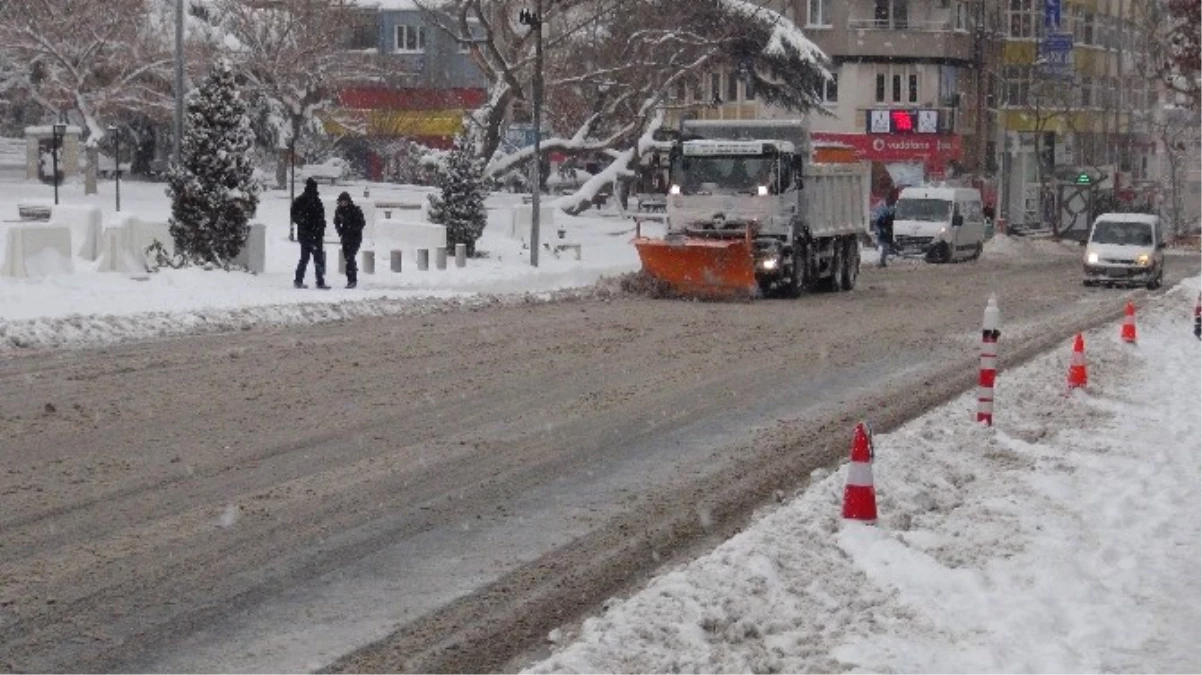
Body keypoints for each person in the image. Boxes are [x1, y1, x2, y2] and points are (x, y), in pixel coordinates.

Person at [292, 177, 330, 289]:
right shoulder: (314, 201)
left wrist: (303, 222)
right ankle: (319, 281)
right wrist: (319, 228)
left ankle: (299, 280)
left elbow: (294, 215)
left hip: (307, 234)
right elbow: (320, 217)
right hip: (313, 234)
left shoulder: (301, 200)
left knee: (305, 258)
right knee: (316, 259)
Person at [334, 191, 366, 289]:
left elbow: (361, 223)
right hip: (345, 237)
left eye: (344, 202)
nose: (343, 204)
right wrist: (340, 231)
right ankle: (351, 277)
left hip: (355, 237)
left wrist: (353, 228)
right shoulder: (339, 211)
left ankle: (352, 280)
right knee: (347, 258)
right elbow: (336, 222)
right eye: (341, 202)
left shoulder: (355, 210)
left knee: (350, 257)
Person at [875, 200, 896, 268]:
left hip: (887, 235)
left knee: (886, 248)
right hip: (885, 235)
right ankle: (882, 262)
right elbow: (879, 223)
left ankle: (883, 261)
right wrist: (883, 229)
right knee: (885, 248)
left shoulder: (889, 214)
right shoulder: (886, 215)